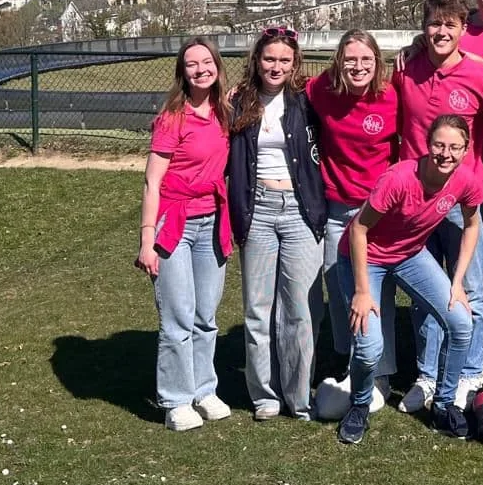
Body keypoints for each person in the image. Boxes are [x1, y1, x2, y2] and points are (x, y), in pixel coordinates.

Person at [332, 114, 483, 445]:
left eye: (455, 147)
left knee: (461, 323)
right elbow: (358, 228)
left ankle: (443, 406)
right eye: (439, 145)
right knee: (370, 349)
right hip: (364, 257)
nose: (446, 154)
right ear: (427, 145)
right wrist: (361, 290)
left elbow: (472, 225)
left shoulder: (467, 181)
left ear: (466, 148)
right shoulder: (399, 178)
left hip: (410, 255)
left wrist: (457, 281)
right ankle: (359, 405)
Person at [391, 0, 483, 414]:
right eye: (434, 24)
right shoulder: (406, 71)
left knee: (469, 287)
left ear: (462, 30)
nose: (441, 32)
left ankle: (469, 372)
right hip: (415, 200)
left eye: (449, 25)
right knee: (425, 290)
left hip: (461, 202)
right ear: (424, 28)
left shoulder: (480, 78)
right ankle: (427, 374)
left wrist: (470, 174)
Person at [226, 26, 327, 420]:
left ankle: (299, 395)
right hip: (258, 209)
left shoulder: (306, 100)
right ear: (257, 59)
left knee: (301, 308)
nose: (276, 66)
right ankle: (265, 395)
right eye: (270, 58)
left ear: (295, 63)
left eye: (285, 60)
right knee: (258, 308)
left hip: (301, 209)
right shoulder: (238, 101)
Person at [136, 38, 234, 431]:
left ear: (216, 66)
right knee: (177, 318)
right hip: (174, 225)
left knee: (205, 316)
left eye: (206, 62)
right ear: (182, 72)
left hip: (213, 221)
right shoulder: (172, 118)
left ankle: (203, 390)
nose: (200, 70)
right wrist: (147, 240)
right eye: (191, 64)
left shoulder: (226, 111)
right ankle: (175, 400)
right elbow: (151, 182)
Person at [307, 30, 400, 416]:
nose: (358, 67)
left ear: (378, 62)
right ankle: (351, 361)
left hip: (378, 213)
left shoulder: (392, 96)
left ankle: (383, 372)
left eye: (366, 60)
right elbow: (286, 83)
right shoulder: (321, 91)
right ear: (338, 63)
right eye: (350, 60)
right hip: (338, 210)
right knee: (340, 287)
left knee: (378, 296)